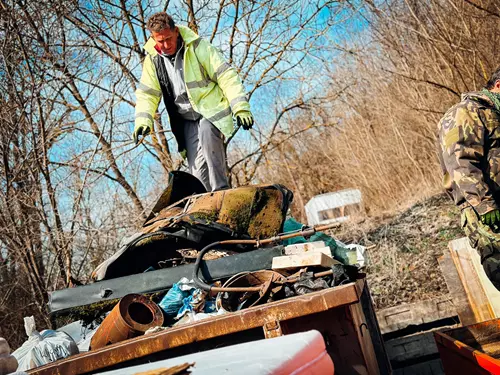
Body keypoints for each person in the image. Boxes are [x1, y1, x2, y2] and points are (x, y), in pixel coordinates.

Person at [133, 12, 254, 191]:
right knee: (197, 172)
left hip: (209, 111)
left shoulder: (198, 47)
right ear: (153, 38)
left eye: (168, 39)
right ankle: (204, 206)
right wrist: (143, 120)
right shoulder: (153, 60)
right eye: (160, 41)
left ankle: (221, 191)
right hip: (185, 120)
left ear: (176, 32)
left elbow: (226, 74)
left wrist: (240, 107)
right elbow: (147, 94)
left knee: (208, 137)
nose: (165, 45)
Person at [438, 67, 500, 290]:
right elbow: (459, 160)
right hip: (486, 211)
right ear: (498, 85)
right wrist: (484, 204)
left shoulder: (496, 114)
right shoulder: (465, 112)